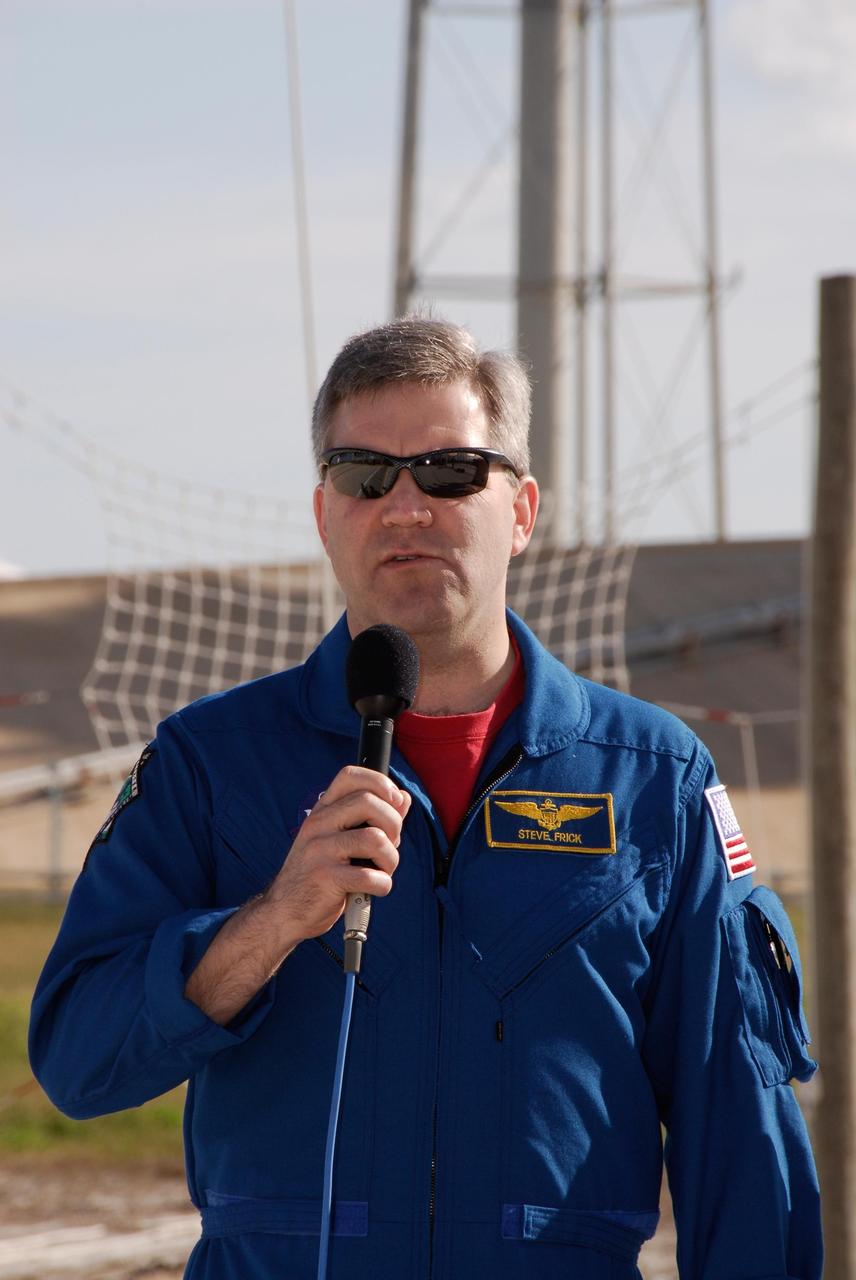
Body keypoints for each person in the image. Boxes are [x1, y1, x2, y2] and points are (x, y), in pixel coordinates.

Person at [30, 317, 821, 1279]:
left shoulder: (656, 778)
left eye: (451, 472)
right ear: (325, 514)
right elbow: (78, 1061)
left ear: (521, 511)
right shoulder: (209, 763)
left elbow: (741, 1135)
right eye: (365, 474)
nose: (405, 508)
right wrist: (272, 923)